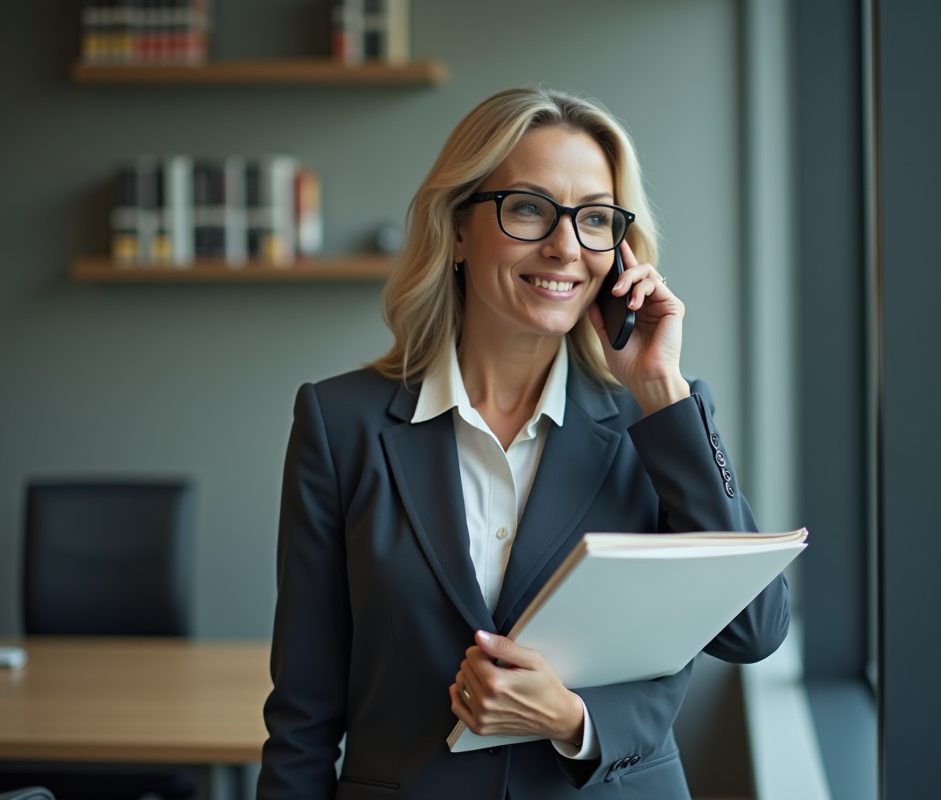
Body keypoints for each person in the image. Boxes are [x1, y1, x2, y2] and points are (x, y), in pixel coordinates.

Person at [257, 87, 790, 800]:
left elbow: (754, 629)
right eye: (531, 208)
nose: (566, 247)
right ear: (456, 229)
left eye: (595, 218)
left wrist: (660, 389)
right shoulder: (339, 423)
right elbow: (304, 714)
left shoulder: (655, 420)